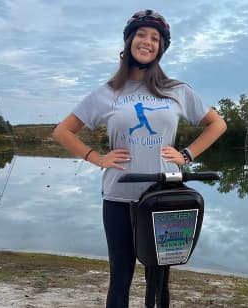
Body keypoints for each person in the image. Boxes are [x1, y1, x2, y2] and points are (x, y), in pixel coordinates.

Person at [53, 9, 227, 308]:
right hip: (119, 196)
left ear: (161, 48)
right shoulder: (108, 92)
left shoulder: (176, 90)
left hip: (165, 195)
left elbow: (217, 124)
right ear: (129, 40)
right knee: (120, 278)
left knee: (159, 280)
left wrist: (186, 154)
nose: (147, 42)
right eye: (142, 35)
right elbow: (63, 131)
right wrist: (97, 157)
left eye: (155, 38)